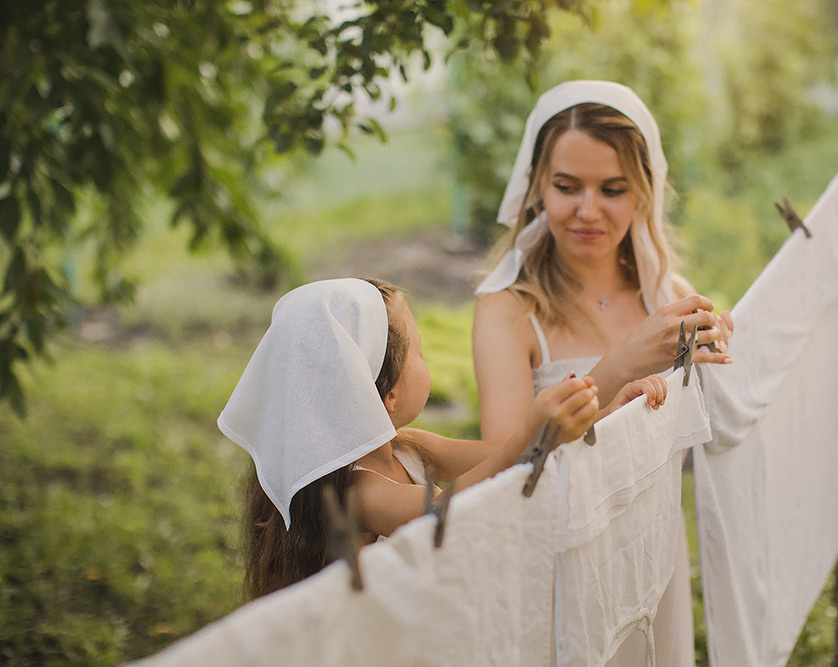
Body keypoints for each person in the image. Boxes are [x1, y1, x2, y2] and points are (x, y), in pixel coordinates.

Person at [219, 277, 665, 599]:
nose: (425, 361)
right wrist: (536, 429)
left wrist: (604, 417)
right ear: (388, 394)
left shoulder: (405, 446)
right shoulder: (359, 492)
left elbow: (491, 459)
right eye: (419, 352)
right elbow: (452, 510)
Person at [473, 80, 735, 443]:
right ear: (537, 187)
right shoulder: (506, 313)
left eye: (612, 190)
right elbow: (504, 469)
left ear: (643, 192)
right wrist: (623, 364)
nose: (588, 211)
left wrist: (722, 366)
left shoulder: (670, 299)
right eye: (567, 187)